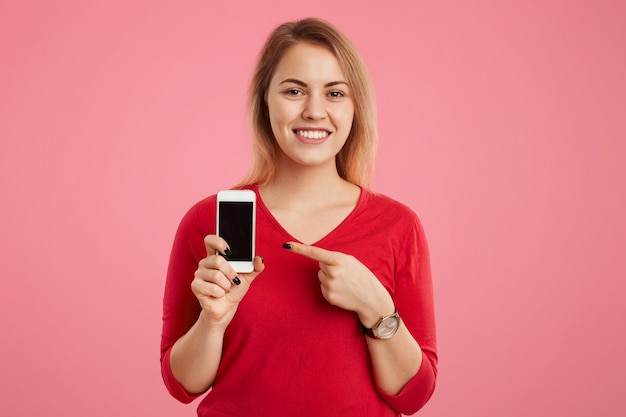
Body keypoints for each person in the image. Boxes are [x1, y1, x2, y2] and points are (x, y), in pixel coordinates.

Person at [160, 17, 437, 417]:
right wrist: (213, 321)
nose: (314, 111)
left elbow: (412, 397)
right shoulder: (208, 222)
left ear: (356, 106)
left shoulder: (398, 226)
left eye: (335, 93)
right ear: (265, 101)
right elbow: (182, 385)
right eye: (294, 90)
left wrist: (378, 310)